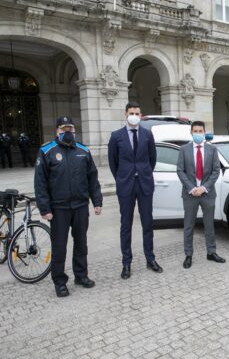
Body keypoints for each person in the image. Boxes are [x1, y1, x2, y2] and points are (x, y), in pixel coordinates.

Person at [34, 116, 102, 297]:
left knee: (81, 243)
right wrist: (44, 209)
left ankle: (81, 275)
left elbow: (92, 178)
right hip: (58, 209)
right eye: (64, 129)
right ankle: (60, 281)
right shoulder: (46, 150)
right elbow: (40, 183)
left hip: (80, 205)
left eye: (70, 129)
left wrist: (97, 201)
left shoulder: (83, 150)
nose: (68, 132)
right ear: (57, 131)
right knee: (59, 247)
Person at [108, 102, 162, 279]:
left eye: (137, 113)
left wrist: (143, 173)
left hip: (144, 184)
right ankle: (126, 263)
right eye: (131, 112)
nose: (134, 115)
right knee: (126, 225)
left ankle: (150, 258)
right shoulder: (116, 136)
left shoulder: (147, 134)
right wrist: (123, 177)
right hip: (126, 185)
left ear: (141, 115)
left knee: (147, 223)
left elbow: (152, 158)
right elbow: (113, 163)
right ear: (125, 114)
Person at [177, 121, 224, 269]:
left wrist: (204, 187)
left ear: (204, 132)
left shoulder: (212, 149)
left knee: (209, 225)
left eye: (200, 131)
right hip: (190, 194)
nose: (198, 133)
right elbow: (180, 170)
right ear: (191, 133)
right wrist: (192, 188)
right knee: (189, 226)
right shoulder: (184, 149)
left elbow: (216, 171)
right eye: (195, 131)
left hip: (207, 194)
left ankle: (211, 252)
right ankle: (188, 255)